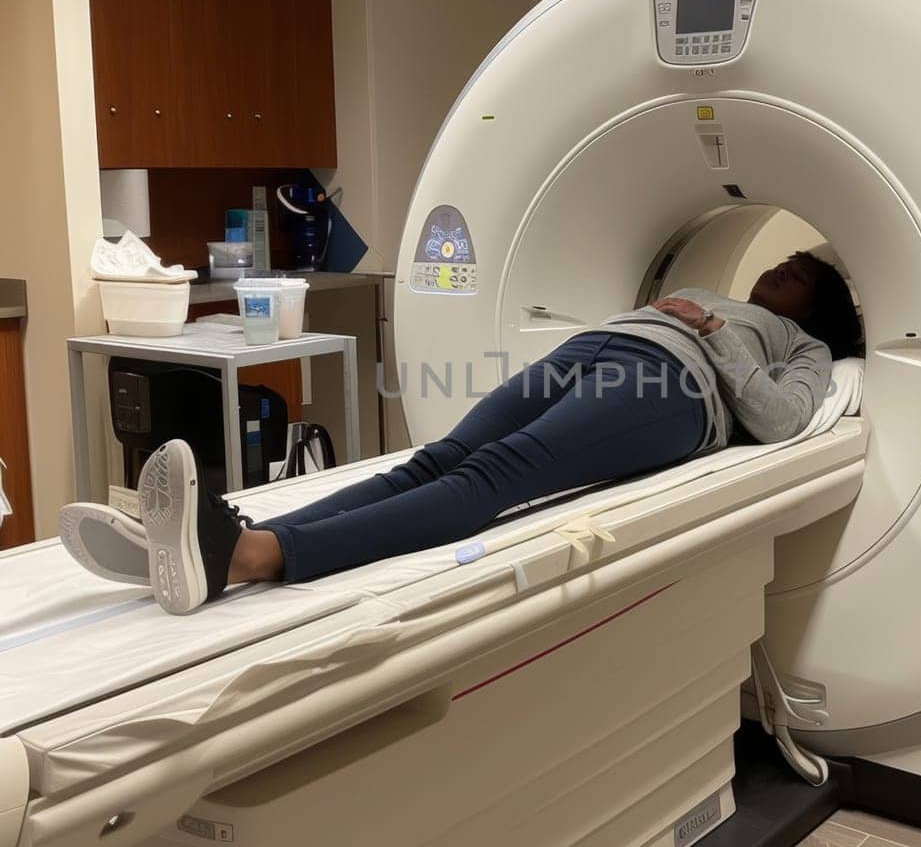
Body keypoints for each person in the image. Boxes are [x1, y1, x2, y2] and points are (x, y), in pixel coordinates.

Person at [63, 253, 862, 616]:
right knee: (438, 458)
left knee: (496, 477)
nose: (786, 265)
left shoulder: (806, 346)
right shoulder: (705, 284)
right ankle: (230, 537)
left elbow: (781, 419)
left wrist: (715, 327)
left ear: (816, 305)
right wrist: (685, 312)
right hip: (600, 346)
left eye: (802, 270)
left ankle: (252, 559)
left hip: (673, 391)